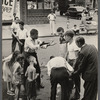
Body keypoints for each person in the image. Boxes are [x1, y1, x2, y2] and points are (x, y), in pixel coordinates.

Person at [64, 30, 80, 100]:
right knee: (70, 77)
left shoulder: (74, 44)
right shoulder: (68, 43)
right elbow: (67, 52)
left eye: (66, 36)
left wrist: (73, 66)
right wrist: (65, 60)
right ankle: (70, 91)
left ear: (70, 37)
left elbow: (77, 57)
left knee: (76, 78)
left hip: (74, 62)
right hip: (70, 61)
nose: (65, 38)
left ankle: (78, 94)